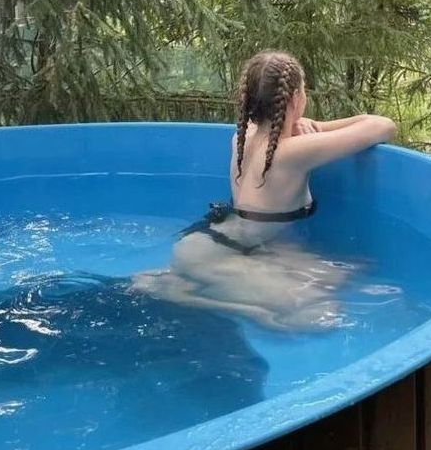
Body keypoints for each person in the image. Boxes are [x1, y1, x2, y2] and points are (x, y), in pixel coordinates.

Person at [131, 51, 396, 329]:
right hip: (218, 255)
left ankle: (189, 283)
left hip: (209, 243)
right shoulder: (292, 152)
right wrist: (317, 125)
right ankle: (177, 291)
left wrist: (297, 123)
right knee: (318, 316)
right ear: (296, 98)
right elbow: (383, 126)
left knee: (347, 272)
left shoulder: (242, 136)